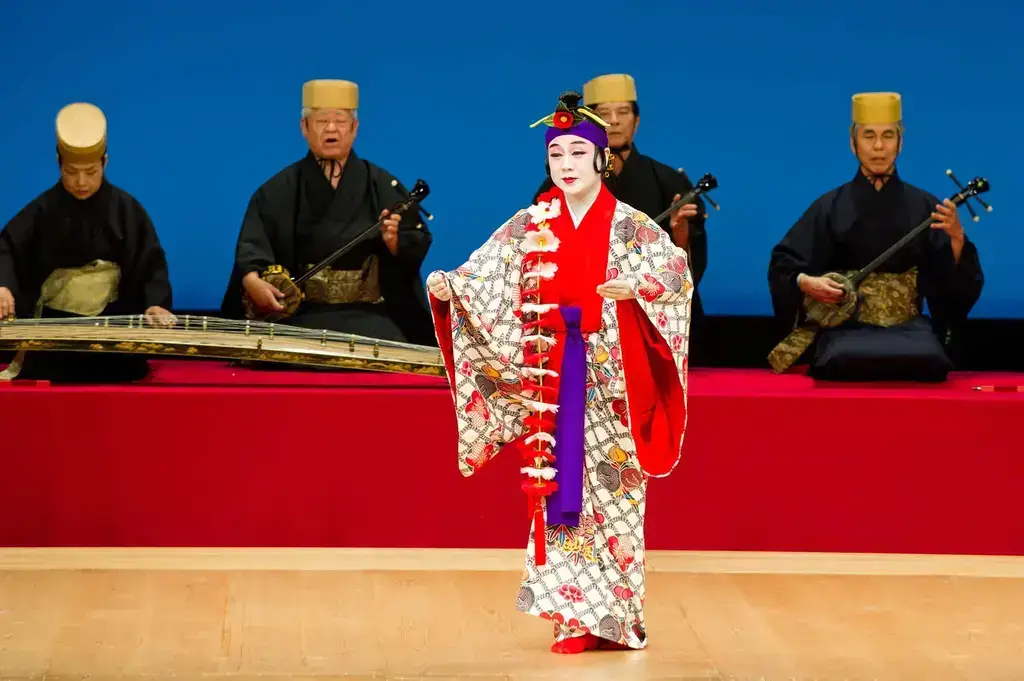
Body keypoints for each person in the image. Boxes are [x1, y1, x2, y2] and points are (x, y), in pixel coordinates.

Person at [426, 91, 692, 653]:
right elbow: (485, 273)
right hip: (551, 371)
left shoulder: (633, 226)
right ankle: (571, 618)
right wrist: (453, 286)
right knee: (557, 492)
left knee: (617, 496)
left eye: (578, 152)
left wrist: (635, 292)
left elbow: (675, 279)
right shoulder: (531, 222)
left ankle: (619, 619)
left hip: (613, 373)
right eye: (556, 155)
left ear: (603, 159)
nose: (566, 165)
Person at [767, 92, 984, 381]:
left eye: (888, 136)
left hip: (907, 328)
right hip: (848, 327)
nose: (879, 147)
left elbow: (950, 286)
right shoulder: (830, 206)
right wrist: (806, 282)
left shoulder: (925, 206)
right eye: (869, 136)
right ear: (852, 143)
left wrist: (957, 240)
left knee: (930, 360)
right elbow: (784, 262)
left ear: (901, 142)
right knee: (839, 359)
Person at [219, 79, 435, 345]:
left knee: (389, 351)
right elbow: (252, 247)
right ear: (304, 128)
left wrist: (394, 244)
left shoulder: (382, 185)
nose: (331, 129)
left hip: (368, 318)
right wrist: (252, 281)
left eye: (340, 121)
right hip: (299, 316)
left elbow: (415, 239)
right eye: (321, 121)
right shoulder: (277, 190)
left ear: (354, 128)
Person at [532, 73, 710, 364]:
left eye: (623, 112)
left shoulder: (668, 180)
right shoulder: (562, 182)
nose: (614, 121)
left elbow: (688, 266)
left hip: (654, 323)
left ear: (636, 121)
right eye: (604, 114)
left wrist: (681, 237)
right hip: (583, 319)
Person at [0, 102, 174, 383]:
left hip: (112, 330)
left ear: (105, 162)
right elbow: (7, 248)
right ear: (59, 163)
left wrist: (155, 303)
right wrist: (3, 285)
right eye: (71, 171)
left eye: (91, 171)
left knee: (122, 373)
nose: (81, 181)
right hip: (56, 331)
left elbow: (150, 261)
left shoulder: (126, 210)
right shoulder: (42, 210)